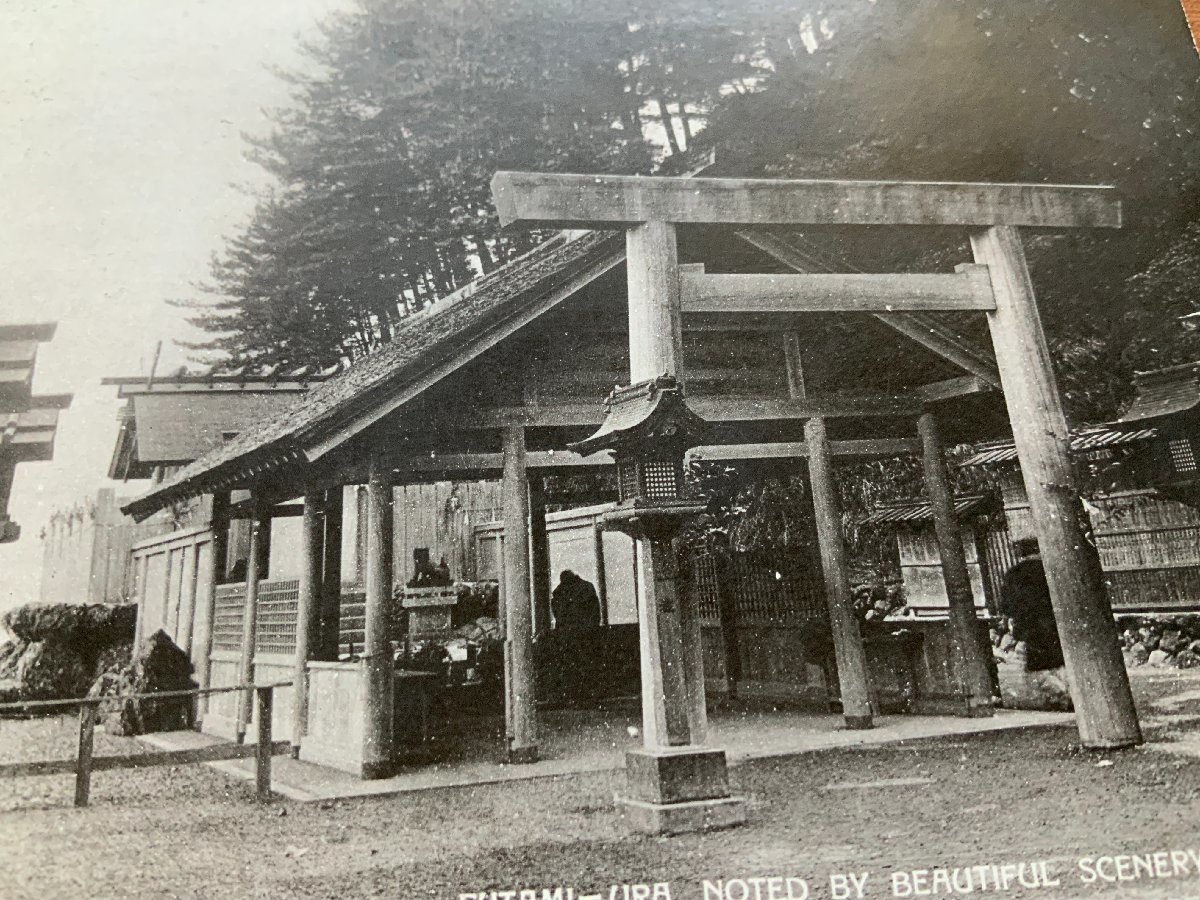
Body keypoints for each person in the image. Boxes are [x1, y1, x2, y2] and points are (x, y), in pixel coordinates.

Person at [999, 538, 1072, 710]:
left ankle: (1058, 695)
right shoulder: (1052, 569)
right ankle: (1066, 693)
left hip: (1030, 624)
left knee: (1037, 666)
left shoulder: (1014, 573)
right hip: (1056, 621)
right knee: (1059, 661)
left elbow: (1007, 603)